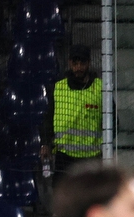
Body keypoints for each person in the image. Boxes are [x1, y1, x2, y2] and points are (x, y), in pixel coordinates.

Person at [43, 44, 103, 184]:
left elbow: (113, 121)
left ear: (88, 63)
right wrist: (45, 144)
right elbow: (48, 119)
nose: (78, 67)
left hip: (91, 157)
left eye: (82, 63)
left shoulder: (100, 88)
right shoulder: (58, 88)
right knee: (62, 197)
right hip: (64, 157)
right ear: (70, 63)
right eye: (75, 63)